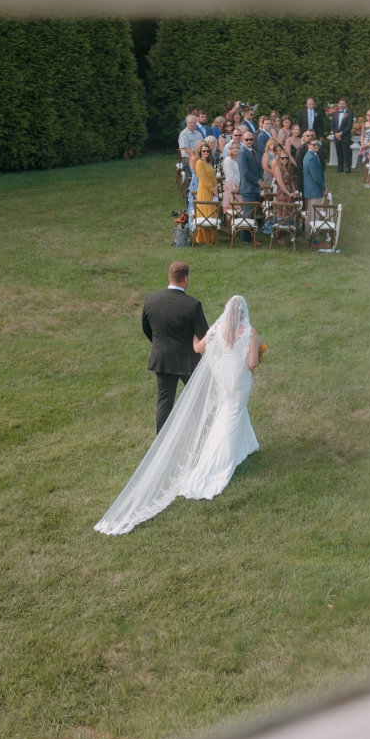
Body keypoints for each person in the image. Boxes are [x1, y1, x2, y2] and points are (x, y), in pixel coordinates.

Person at [96, 295, 262, 536]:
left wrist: (192, 333)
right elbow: (252, 364)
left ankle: (247, 445)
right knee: (231, 417)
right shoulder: (249, 332)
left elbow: (198, 348)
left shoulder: (217, 329)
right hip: (240, 382)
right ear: (244, 312)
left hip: (225, 381)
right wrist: (257, 350)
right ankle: (216, 464)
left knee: (232, 414)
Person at [139, 260, 209, 435]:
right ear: (185, 279)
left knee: (164, 402)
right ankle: (200, 435)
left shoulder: (151, 300)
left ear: (170, 277)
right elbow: (204, 335)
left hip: (162, 359)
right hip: (188, 362)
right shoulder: (193, 305)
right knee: (200, 399)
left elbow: (146, 329)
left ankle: (161, 442)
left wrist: (160, 344)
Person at [302, 135, 327, 244]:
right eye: (314, 145)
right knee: (315, 216)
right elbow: (316, 177)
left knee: (310, 215)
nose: (317, 146)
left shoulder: (310, 155)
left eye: (318, 144)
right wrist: (324, 188)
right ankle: (314, 239)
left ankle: (308, 237)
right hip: (314, 190)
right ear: (309, 145)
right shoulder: (311, 158)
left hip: (310, 190)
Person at [191, 141, 217, 244]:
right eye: (204, 151)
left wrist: (215, 187)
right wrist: (212, 188)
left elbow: (213, 176)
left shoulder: (209, 162)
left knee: (211, 212)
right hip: (204, 190)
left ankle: (211, 238)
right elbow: (203, 179)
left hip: (211, 189)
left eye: (207, 151)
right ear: (200, 152)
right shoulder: (199, 163)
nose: (206, 152)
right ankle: (203, 239)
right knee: (205, 212)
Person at [332, 97, 353, 173]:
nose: (341, 105)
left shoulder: (349, 113)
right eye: (340, 104)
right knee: (339, 153)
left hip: (345, 136)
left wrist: (341, 133)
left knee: (346, 153)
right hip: (337, 136)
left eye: (343, 104)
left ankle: (348, 168)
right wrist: (336, 134)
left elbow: (349, 126)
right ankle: (340, 168)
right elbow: (333, 126)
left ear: (346, 104)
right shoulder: (335, 114)